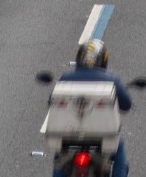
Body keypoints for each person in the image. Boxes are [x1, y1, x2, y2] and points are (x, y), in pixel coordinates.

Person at [55, 39, 132, 177]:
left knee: (60, 156)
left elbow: (52, 100)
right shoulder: (111, 79)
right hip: (102, 134)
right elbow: (126, 104)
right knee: (118, 148)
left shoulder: (66, 77)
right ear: (103, 60)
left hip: (70, 132)